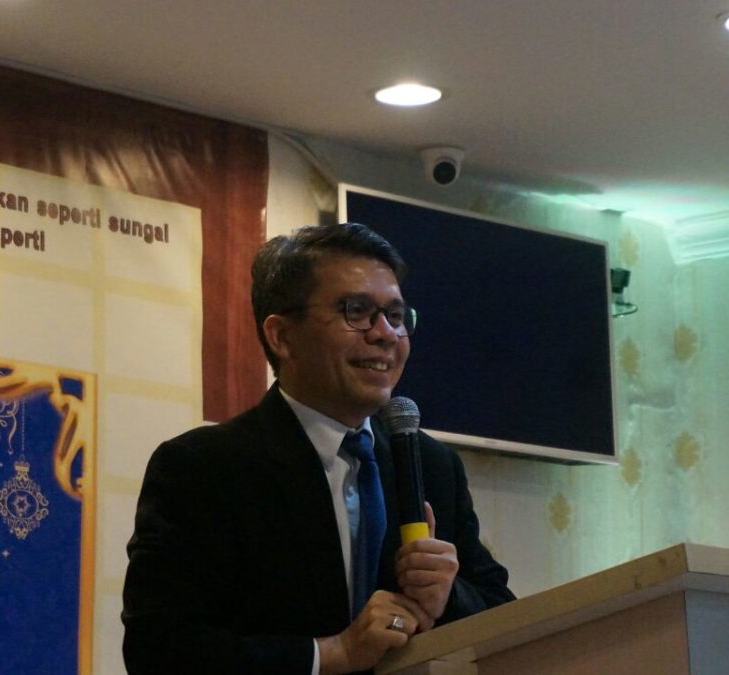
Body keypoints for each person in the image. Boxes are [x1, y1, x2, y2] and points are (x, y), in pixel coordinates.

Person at [122, 222, 513, 674]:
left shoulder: (431, 464)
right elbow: (158, 650)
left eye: (395, 315)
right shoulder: (203, 468)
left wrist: (448, 595)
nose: (385, 333)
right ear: (282, 336)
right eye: (356, 311)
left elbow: (506, 617)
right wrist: (333, 653)